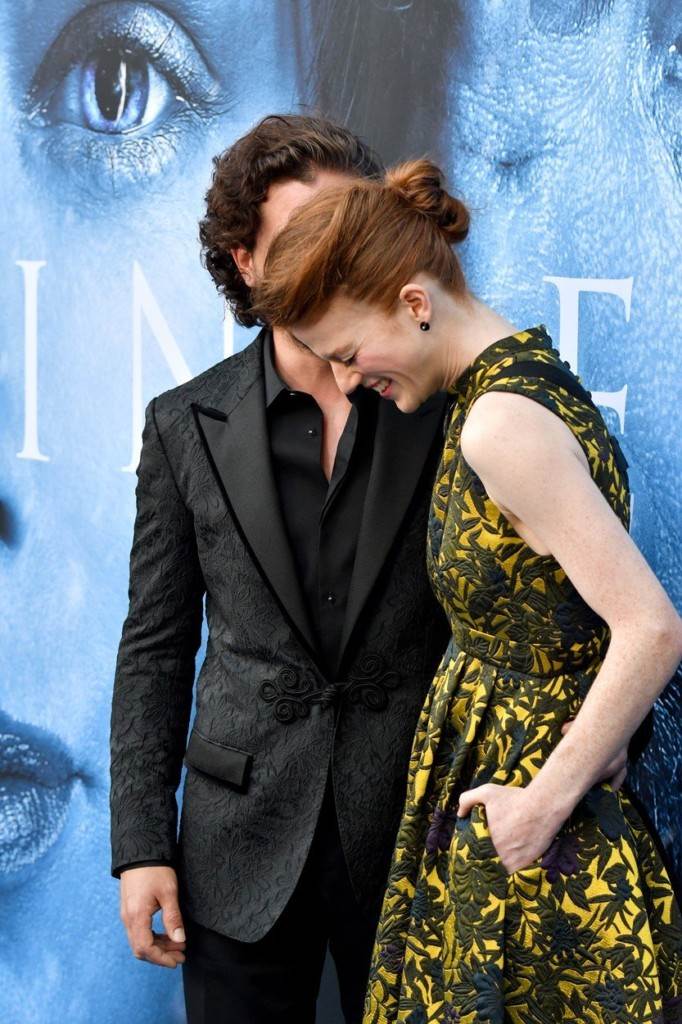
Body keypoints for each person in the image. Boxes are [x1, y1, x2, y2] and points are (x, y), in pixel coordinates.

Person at [250, 158, 682, 1022]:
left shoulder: (499, 424)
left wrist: (541, 806)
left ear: (415, 303)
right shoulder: (514, 379)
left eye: (348, 355)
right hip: (516, 808)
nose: (347, 382)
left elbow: (650, 628)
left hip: (536, 838)